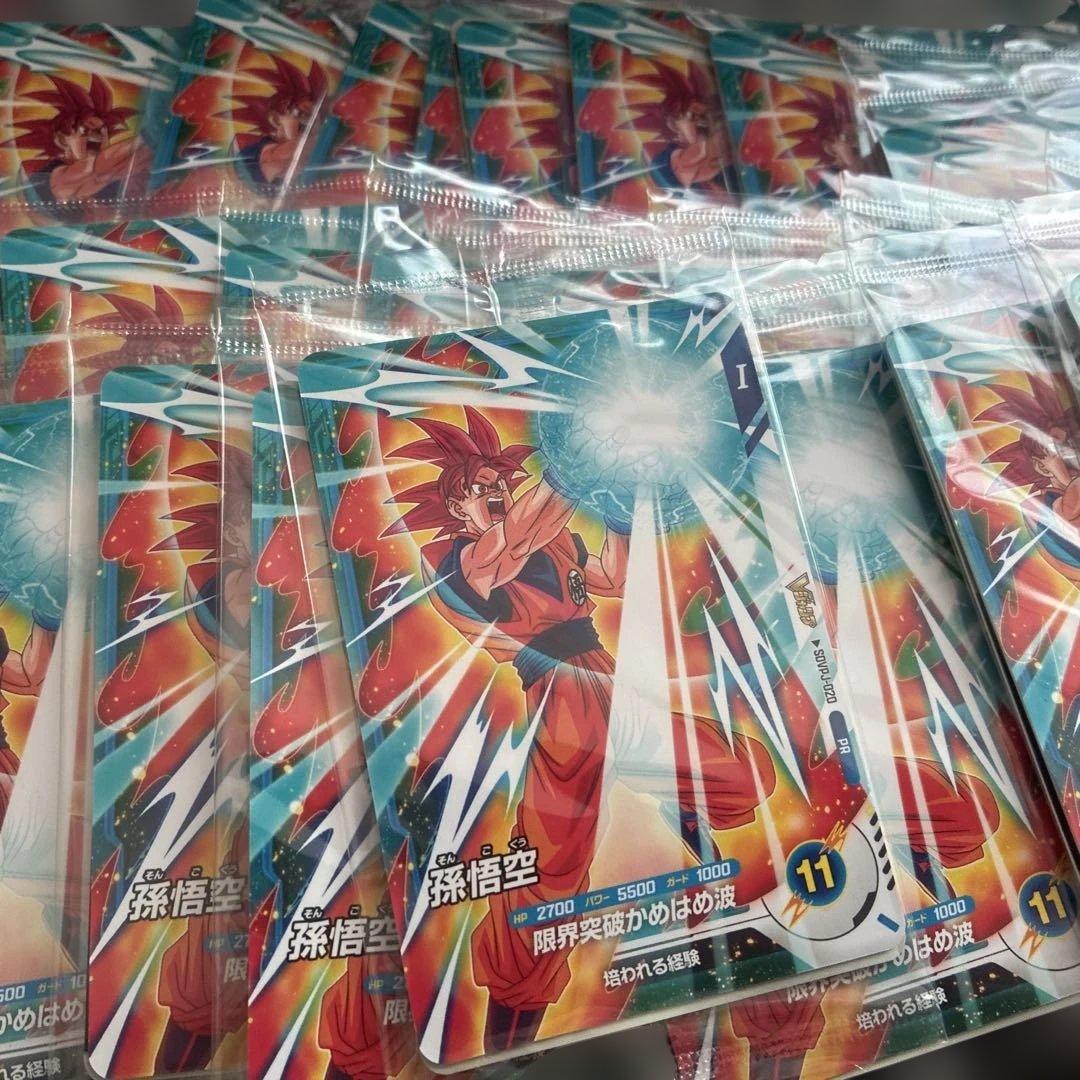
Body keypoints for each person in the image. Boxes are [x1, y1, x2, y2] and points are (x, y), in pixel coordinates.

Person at [384, 406, 774, 1052]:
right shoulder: (461, 563)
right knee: (551, 871)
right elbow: (516, 541)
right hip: (560, 701)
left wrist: (621, 504)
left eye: (500, 482)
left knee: (736, 770)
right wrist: (585, 455)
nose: (495, 492)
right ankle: (509, 1044)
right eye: (479, 489)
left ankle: (676, 810)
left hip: (607, 683)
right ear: (457, 509)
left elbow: (612, 577)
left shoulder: (553, 539)